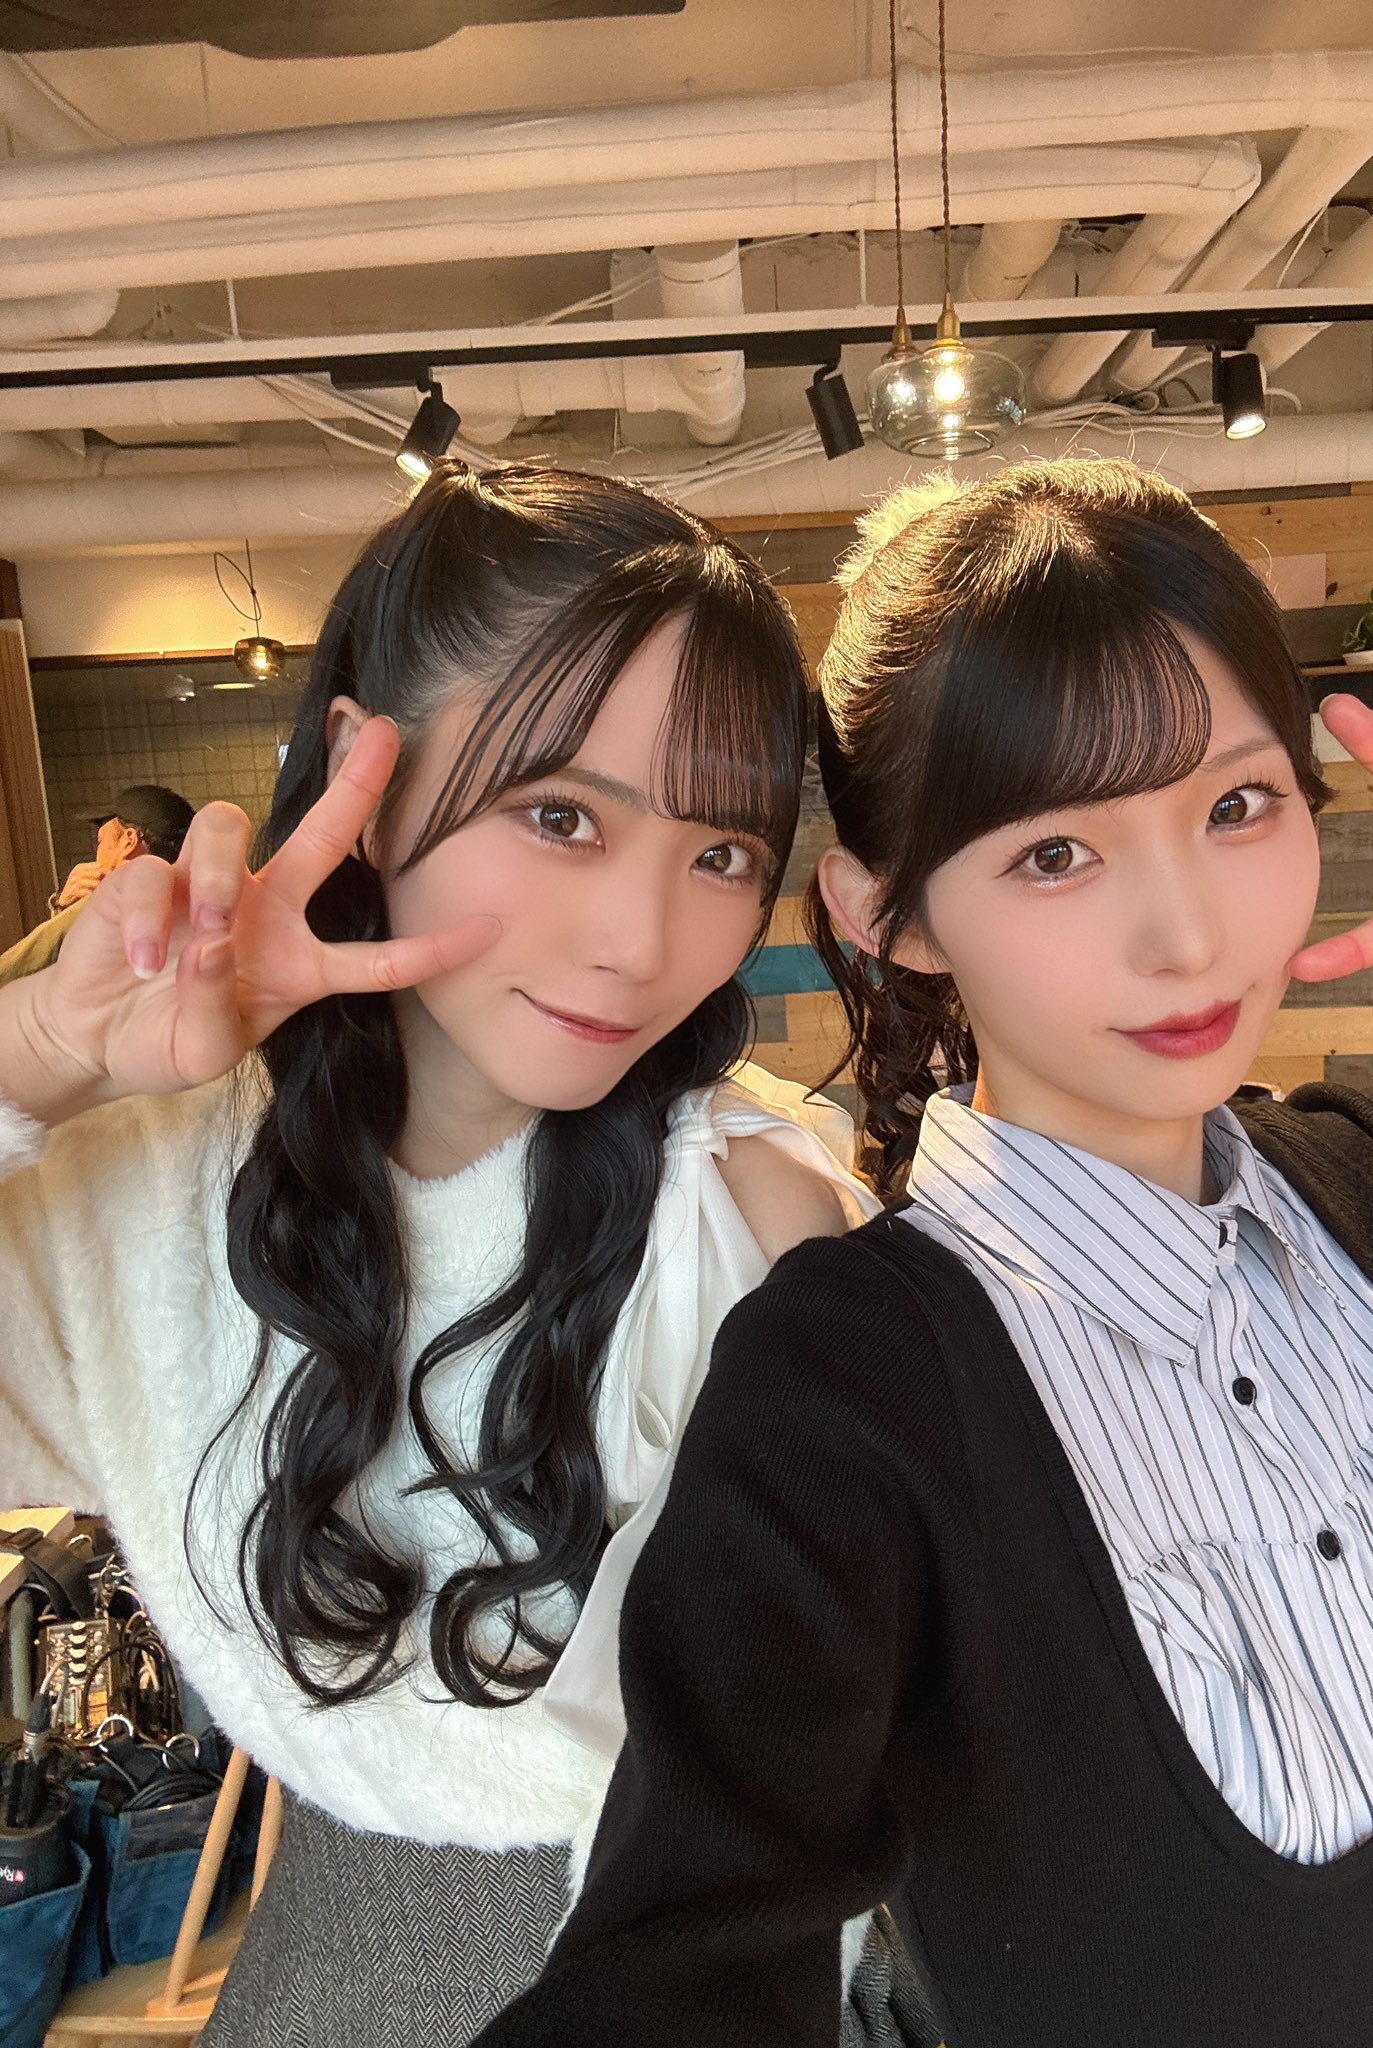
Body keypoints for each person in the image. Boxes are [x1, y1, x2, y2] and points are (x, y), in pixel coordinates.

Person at [474, 458, 1373, 2047]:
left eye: (1235, 807)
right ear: (889, 913)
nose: (1189, 935)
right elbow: (686, 1960)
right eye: (1056, 853)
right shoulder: (844, 1392)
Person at [0, 461, 901, 2047]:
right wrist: (39, 1058)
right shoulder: (147, 1175)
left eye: (718, 853)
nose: (642, 943)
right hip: (327, 1987)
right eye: (561, 817)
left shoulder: (748, 1210)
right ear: (369, 769)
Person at [0, 783, 194, 985]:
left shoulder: (109, 909)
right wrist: (63, 910)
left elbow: (13, 973)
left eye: (101, 841)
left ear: (128, 841)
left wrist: (74, 912)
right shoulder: (186, 911)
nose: (97, 853)